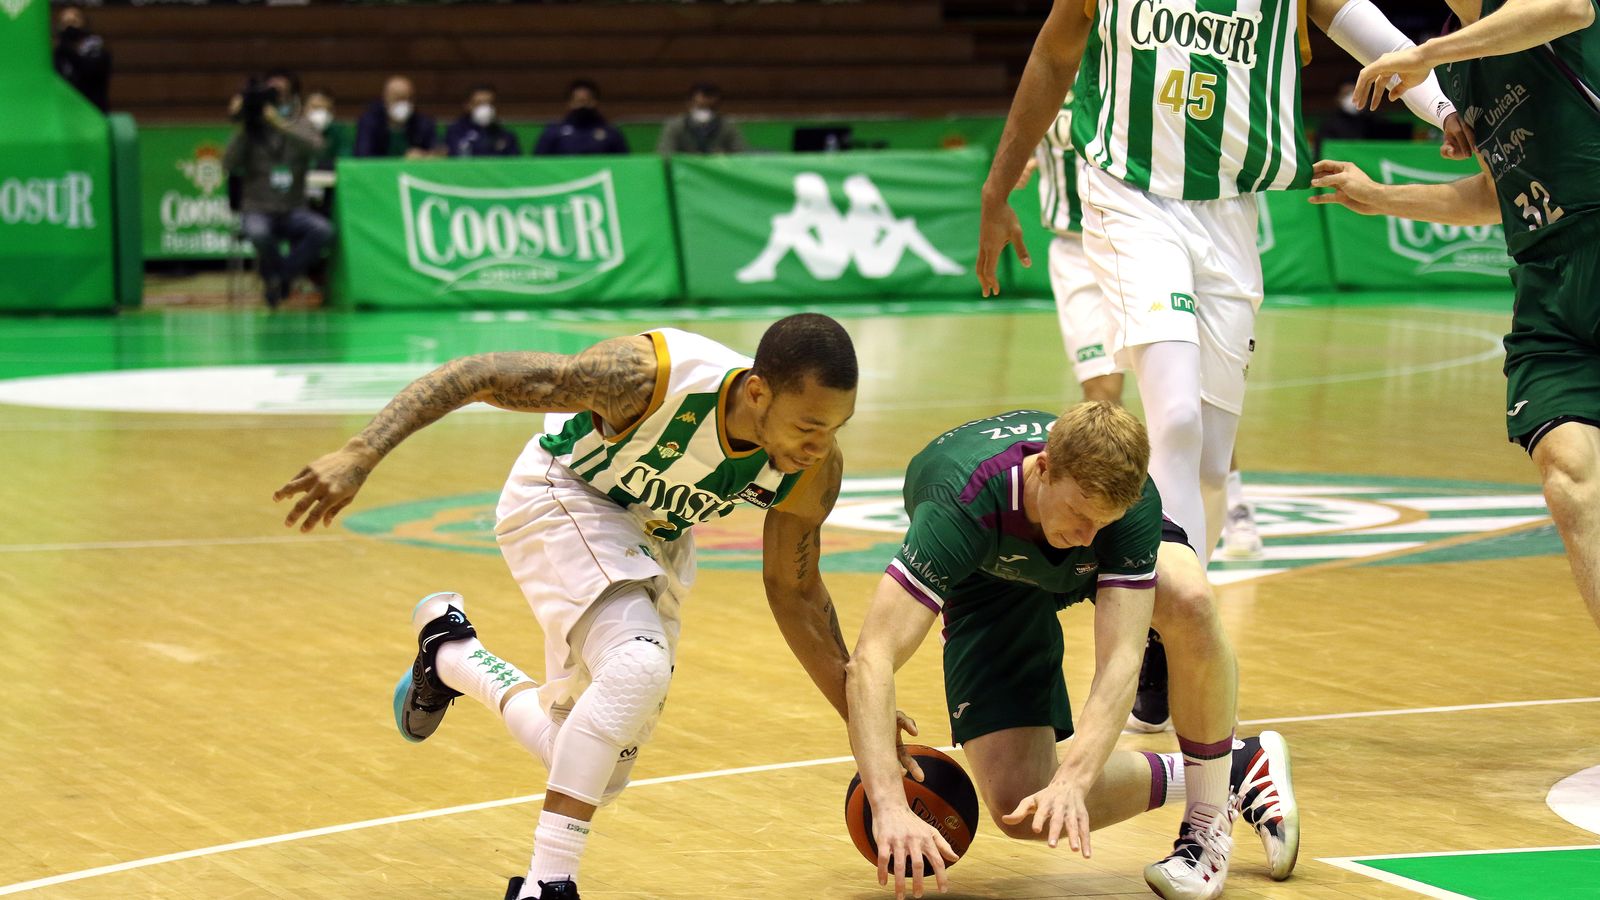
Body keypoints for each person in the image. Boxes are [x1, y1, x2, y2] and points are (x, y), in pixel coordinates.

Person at [974, 1, 1466, 891]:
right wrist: (997, 187)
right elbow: (1050, 64)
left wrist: (1442, 107)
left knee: (1203, 459)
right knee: (1175, 422)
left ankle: (1197, 693)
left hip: (1230, 213)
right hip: (1128, 196)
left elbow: (1366, 28)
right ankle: (1187, 722)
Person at [274, 316, 909, 900]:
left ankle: (451, 654)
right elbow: (477, 375)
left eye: (835, 428)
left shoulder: (813, 470)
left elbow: (795, 593)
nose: (820, 447)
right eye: (807, 427)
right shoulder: (645, 378)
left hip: (650, 534)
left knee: (593, 766)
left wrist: (865, 725)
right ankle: (548, 885)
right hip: (562, 493)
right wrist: (362, 451)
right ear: (758, 393)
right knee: (638, 666)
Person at [845, 403, 1298, 900]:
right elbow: (873, 657)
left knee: (1189, 601)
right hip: (988, 576)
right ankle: (1235, 766)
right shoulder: (960, 504)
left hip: (1085, 549)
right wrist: (887, 802)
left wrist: (1076, 780)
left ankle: (1207, 821)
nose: (1086, 537)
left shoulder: (1116, 517)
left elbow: (1121, 660)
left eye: (1102, 522)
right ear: (1042, 468)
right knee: (1024, 806)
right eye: (1079, 514)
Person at [1311, 0, 1600, 633]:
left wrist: (1424, 57)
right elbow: (1494, 192)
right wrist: (1381, 198)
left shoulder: (1512, 20)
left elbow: (1572, 8)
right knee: (1567, 474)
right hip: (1546, 286)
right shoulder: (1460, 64)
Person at [223, 69, 333, 309]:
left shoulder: (300, 124)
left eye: (282, 92)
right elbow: (227, 164)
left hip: (293, 209)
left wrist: (281, 125)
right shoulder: (251, 132)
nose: (277, 98)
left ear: (292, 96)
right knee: (258, 233)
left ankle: (280, 277)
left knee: (322, 230)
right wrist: (244, 125)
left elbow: (318, 148)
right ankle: (282, 277)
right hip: (258, 209)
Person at [534, 80, 628, 156]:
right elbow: (538, 162)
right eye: (578, 101)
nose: (583, 106)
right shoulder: (554, 132)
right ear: (569, 103)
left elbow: (624, 162)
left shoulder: (611, 133)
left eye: (587, 101)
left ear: (595, 102)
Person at [354, 75, 439, 159]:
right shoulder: (369, 122)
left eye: (407, 98)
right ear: (385, 98)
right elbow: (362, 155)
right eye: (397, 98)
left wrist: (423, 156)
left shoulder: (424, 124)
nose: (403, 103)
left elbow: (436, 153)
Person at [1316, 79, 1416, 150]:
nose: (1352, 98)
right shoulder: (1329, 125)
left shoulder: (1374, 120)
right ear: (1337, 98)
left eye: (1355, 93)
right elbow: (1323, 152)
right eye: (1346, 94)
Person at [657, 83, 748, 156]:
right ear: (689, 103)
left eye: (710, 108)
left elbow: (741, 154)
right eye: (700, 107)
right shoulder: (675, 126)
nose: (705, 112)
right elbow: (665, 154)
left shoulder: (727, 126)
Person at [53, 3, 111, 113]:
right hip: (64, 110)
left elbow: (91, 71)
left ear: (84, 23)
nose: (70, 28)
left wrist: (67, 51)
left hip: (92, 109)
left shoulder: (97, 47)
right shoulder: (55, 53)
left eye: (74, 22)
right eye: (65, 23)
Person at [445, 84, 521, 157]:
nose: (484, 108)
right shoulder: (455, 132)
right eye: (478, 103)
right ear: (467, 105)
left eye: (489, 103)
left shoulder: (506, 135)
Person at [304, 87, 347, 173]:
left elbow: (344, 162)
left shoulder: (340, 134)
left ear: (332, 112)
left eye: (325, 109)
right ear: (304, 109)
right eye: (315, 107)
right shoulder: (292, 133)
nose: (320, 113)